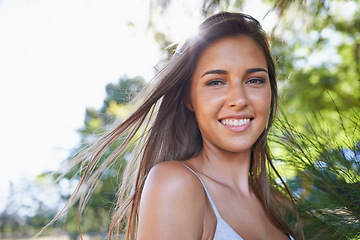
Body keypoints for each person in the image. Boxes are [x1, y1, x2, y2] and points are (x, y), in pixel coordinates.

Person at [42, 11, 301, 240]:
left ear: (270, 90)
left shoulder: (279, 204)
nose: (239, 100)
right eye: (215, 82)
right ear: (189, 98)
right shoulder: (176, 185)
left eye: (255, 80)